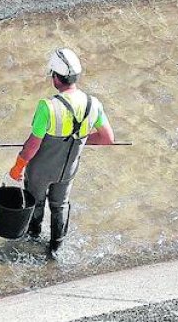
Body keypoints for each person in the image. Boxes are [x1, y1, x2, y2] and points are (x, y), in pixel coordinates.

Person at [8, 48, 115, 255]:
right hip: (68, 171)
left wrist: (18, 166)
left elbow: (32, 145)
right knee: (60, 205)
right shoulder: (94, 104)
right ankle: (56, 249)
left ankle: (33, 238)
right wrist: (80, 140)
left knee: (36, 202)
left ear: (56, 77)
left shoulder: (47, 107)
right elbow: (107, 139)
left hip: (40, 171)